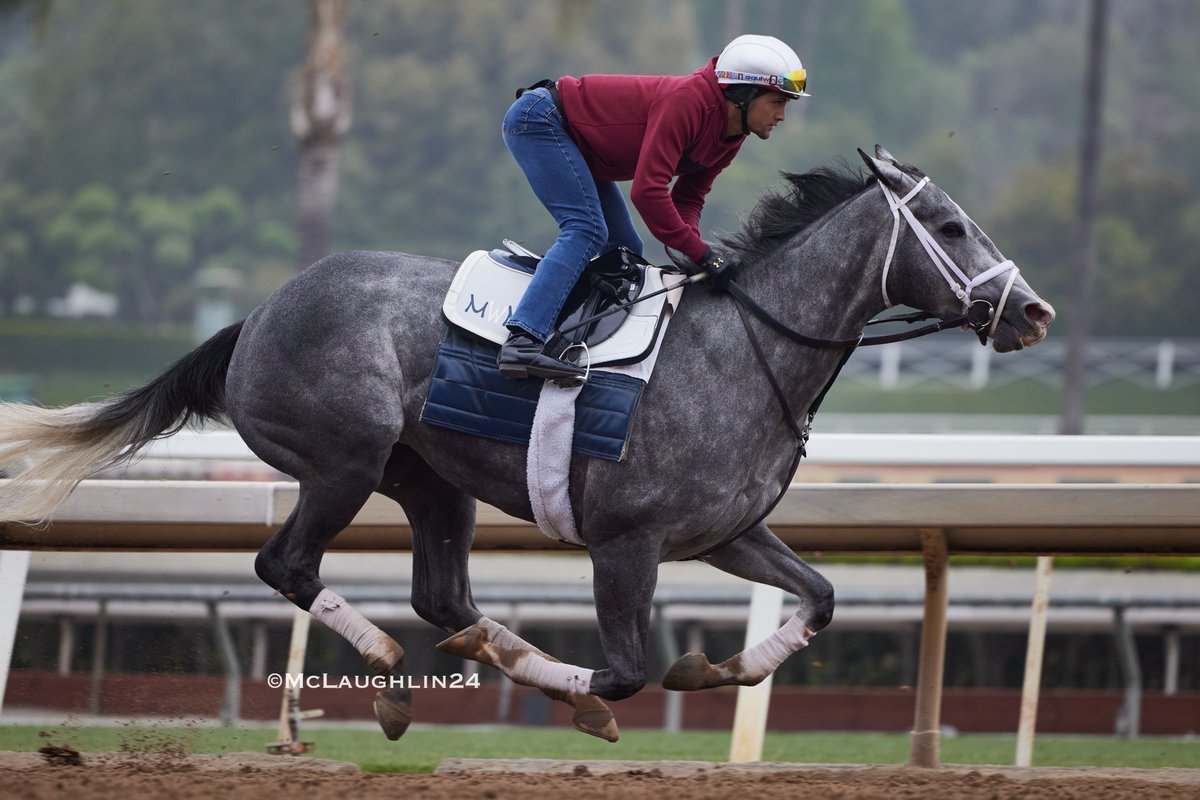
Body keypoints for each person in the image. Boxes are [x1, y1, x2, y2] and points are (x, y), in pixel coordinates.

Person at [498, 34, 810, 382]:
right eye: (777, 102)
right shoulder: (688, 103)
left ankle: (568, 337)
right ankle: (523, 340)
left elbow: (687, 201)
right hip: (541, 120)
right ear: (745, 94)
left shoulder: (731, 135)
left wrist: (697, 256)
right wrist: (703, 254)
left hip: (581, 145)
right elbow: (648, 192)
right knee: (586, 230)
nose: (781, 115)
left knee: (624, 250)